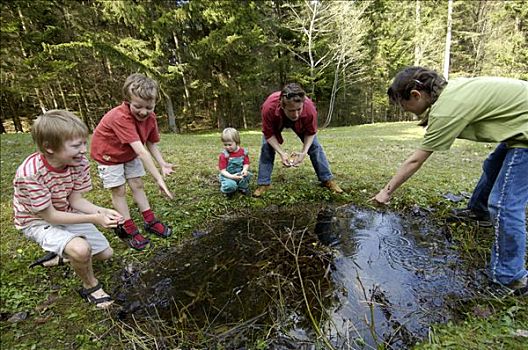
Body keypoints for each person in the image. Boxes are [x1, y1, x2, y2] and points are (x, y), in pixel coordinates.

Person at [372, 66, 528, 295]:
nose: (406, 112)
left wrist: (386, 191)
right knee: (492, 166)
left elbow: (416, 160)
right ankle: (478, 211)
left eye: (404, 106)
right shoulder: (451, 92)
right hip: (518, 129)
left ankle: (510, 277)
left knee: (504, 203)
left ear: (416, 94)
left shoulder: (445, 110)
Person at [13, 110, 123, 309]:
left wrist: (101, 211)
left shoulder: (78, 162)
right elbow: (51, 216)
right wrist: (94, 219)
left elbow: (75, 199)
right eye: (75, 145)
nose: (83, 150)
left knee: (105, 254)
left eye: (83, 142)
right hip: (37, 221)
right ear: (49, 147)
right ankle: (91, 286)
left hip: (65, 210)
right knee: (81, 250)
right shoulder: (30, 175)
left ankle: (60, 254)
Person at [90, 73, 174, 251]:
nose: (143, 112)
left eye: (148, 107)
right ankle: (128, 228)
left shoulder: (150, 118)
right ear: (128, 100)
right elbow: (141, 151)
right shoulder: (120, 117)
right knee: (119, 190)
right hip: (109, 155)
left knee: (137, 184)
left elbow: (150, 142)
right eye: (138, 106)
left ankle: (150, 221)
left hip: (129, 153)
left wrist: (163, 163)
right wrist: (158, 178)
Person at [253, 83, 343, 197]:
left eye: (299, 109)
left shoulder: (309, 109)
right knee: (266, 147)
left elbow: (311, 133)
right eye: (291, 110)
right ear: (282, 105)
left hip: (301, 123)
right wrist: (281, 153)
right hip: (277, 120)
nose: (295, 114)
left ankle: (327, 179)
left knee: (315, 147)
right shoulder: (268, 108)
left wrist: (304, 152)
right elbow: (268, 134)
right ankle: (264, 183)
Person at [218, 127, 252, 197]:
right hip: (228, 176)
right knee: (231, 185)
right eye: (225, 145)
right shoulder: (224, 155)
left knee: (248, 175)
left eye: (229, 144)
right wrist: (232, 177)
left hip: (239, 174)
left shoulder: (243, 152)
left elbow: (246, 163)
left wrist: (244, 170)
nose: (227, 147)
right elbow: (223, 171)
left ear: (237, 142)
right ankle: (228, 189)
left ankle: (242, 187)